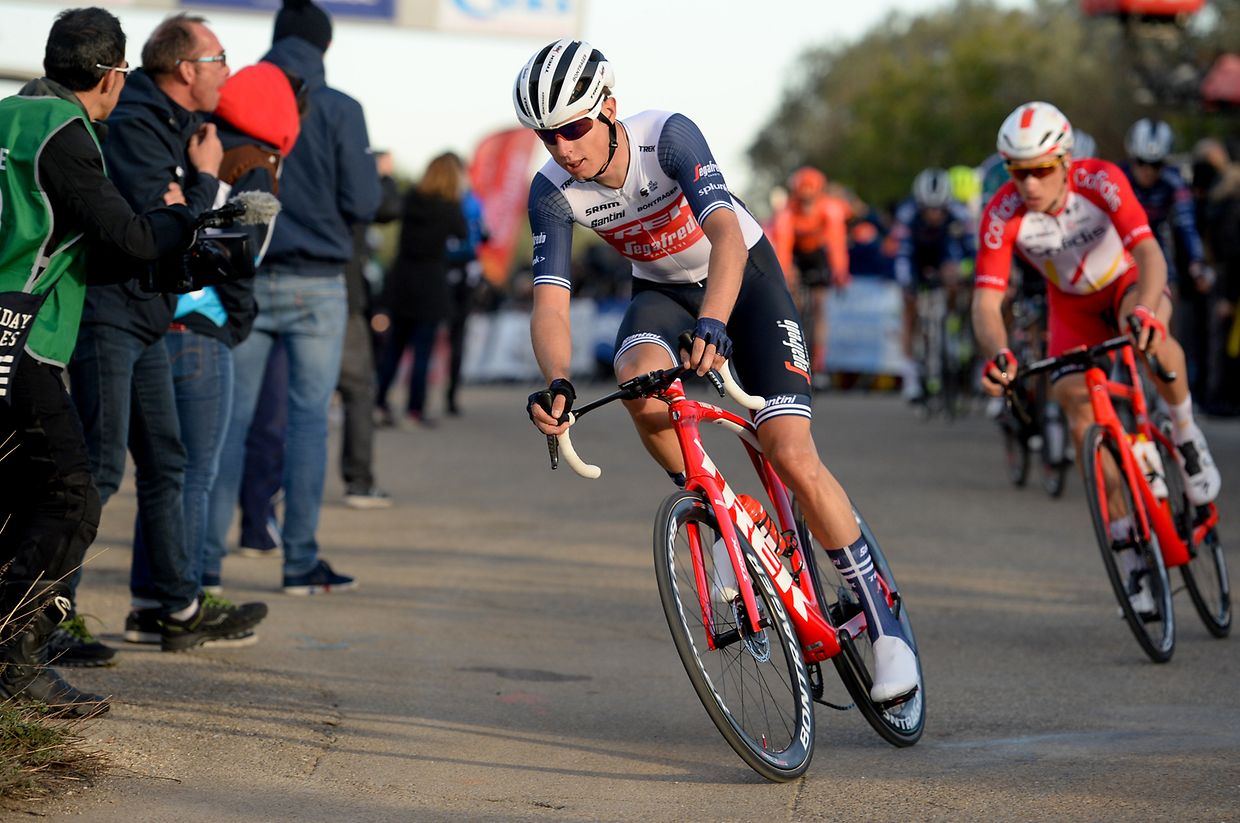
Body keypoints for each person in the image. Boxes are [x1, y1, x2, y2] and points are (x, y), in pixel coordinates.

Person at [515, 39, 918, 702]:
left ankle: (884, 622)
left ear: (608, 108)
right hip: (662, 293)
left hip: (745, 282)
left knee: (790, 450)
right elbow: (551, 300)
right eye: (545, 136)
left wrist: (716, 321)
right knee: (638, 384)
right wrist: (556, 379)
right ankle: (734, 517)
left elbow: (727, 237)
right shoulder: (552, 192)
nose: (562, 147)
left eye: (573, 128)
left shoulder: (668, 137)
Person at [0, 7, 207, 713]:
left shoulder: (10, 115)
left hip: (12, 328)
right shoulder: (64, 130)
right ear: (113, 75)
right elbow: (131, 237)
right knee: (71, 497)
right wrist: (191, 210)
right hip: (22, 334)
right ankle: (16, 663)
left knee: (21, 497)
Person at [67, 12, 268, 657]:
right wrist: (204, 178)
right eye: (219, 59)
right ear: (185, 69)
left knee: (166, 463)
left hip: (146, 316)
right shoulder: (138, 123)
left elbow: (181, 221)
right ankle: (42, 619)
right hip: (108, 314)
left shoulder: (175, 124)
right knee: (98, 470)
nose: (228, 71)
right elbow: (168, 224)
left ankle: (177, 609)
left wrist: (196, 188)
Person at [973, 102, 1223, 613]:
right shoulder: (1002, 213)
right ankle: (1128, 549)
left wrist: (1149, 310)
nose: (1029, 184)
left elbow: (1149, 253)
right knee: (1074, 402)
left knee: (1149, 340)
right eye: (1017, 171)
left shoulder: (1101, 180)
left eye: (1042, 169)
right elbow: (985, 301)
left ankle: (1185, 433)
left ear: (1065, 160)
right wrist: (998, 353)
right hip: (1072, 307)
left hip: (1127, 282)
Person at [205, 0, 380, 595]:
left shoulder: (234, 101)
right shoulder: (341, 109)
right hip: (318, 283)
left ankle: (204, 568)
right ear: (325, 47)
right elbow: (363, 202)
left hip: (244, 275)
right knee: (308, 424)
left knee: (230, 422)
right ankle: (300, 562)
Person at [374, 153, 467, 428]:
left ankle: (378, 403)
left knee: (394, 348)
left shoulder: (411, 198)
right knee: (423, 352)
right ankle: (414, 410)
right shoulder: (450, 206)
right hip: (431, 283)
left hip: (402, 280)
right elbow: (462, 233)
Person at [1120, 118, 1211, 395]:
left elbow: (1186, 226)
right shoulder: (1119, 178)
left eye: (1156, 164)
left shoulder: (1173, 182)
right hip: (1121, 256)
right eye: (1141, 163)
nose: (1148, 171)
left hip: (1156, 255)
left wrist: (1196, 264)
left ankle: (1167, 393)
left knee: (1163, 324)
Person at [339, 149, 400, 507]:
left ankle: (268, 488)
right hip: (342, 295)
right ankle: (359, 481)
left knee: (291, 397)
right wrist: (383, 175)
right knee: (358, 390)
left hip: (286, 279)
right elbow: (388, 208)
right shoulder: (351, 175)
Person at [892, 167, 974, 403]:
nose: (934, 214)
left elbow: (972, 250)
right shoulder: (907, 215)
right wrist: (907, 284)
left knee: (954, 275)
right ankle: (911, 377)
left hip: (945, 254)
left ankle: (952, 325)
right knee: (909, 310)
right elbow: (902, 254)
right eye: (929, 209)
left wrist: (966, 273)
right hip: (917, 257)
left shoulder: (960, 214)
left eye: (939, 209)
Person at [768, 166, 851, 385]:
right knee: (793, 303)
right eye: (802, 199)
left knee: (819, 306)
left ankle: (819, 362)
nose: (806, 205)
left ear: (819, 194)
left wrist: (840, 272)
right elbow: (783, 247)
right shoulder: (787, 212)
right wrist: (785, 277)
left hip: (818, 255)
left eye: (811, 199)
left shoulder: (831, 209)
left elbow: (836, 244)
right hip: (796, 254)